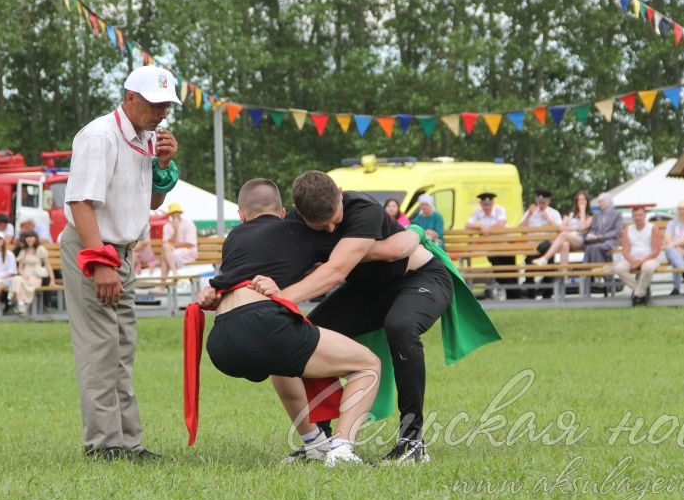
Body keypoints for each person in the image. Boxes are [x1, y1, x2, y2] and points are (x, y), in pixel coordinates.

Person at [254, 171, 458, 463]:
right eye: (321, 227)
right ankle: (321, 442)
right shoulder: (296, 224)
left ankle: (412, 441)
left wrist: (281, 299)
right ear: (300, 213)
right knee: (306, 335)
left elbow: (335, 272)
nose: (330, 229)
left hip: (419, 278)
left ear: (339, 193)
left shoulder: (364, 210)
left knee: (400, 327)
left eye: (335, 220)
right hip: (368, 291)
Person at [197, 179, 394, 465]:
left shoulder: (234, 238)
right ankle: (341, 449)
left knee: (284, 365)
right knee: (368, 365)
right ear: (283, 212)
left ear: (241, 215)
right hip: (263, 323)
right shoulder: (300, 230)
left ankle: (314, 443)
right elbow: (381, 251)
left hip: (221, 340)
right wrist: (414, 236)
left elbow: (224, 285)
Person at [59, 64, 180, 462]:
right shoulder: (99, 137)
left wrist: (163, 166)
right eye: (155, 104)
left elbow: (152, 203)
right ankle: (104, 445)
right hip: (96, 250)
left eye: (167, 105)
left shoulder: (145, 137)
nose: (162, 112)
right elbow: (80, 202)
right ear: (130, 98)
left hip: (123, 252)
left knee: (122, 349)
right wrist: (100, 262)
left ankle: (129, 443)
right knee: (101, 349)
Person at [466, 192, 518, 299]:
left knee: (511, 271)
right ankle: (517, 294)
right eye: (485, 205)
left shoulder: (500, 209)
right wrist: (480, 227)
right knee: (499, 272)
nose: (487, 207)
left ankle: (515, 295)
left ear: (493, 203)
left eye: (489, 204)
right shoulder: (478, 212)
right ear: (481, 204)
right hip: (492, 248)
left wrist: (488, 229)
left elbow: (501, 224)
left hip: (506, 245)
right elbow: (467, 225)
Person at [612, 207, 662, 306]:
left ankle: (638, 295)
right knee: (618, 268)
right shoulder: (627, 230)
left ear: (645, 216)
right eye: (635, 215)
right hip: (632, 258)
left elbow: (656, 250)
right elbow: (625, 251)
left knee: (648, 268)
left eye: (640, 215)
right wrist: (632, 260)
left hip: (649, 258)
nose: (638, 218)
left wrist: (642, 260)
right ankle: (641, 291)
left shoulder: (653, 228)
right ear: (632, 217)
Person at [519, 189, 562, 298]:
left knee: (547, 247)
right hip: (532, 247)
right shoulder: (531, 213)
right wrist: (529, 214)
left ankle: (547, 292)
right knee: (532, 262)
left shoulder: (553, 213)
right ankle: (531, 292)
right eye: (539, 201)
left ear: (548, 201)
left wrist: (548, 218)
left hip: (547, 248)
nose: (541, 203)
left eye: (543, 201)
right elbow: (521, 229)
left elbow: (559, 230)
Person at [533, 190, 593, 265]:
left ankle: (545, 258)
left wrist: (583, 211)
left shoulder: (590, 215)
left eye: (583, 199)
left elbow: (583, 227)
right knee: (565, 244)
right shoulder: (570, 214)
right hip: (569, 237)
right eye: (579, 199)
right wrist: (575, 228)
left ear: (587, 201)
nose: (581, 202)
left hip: (581, 240)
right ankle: (564, 274)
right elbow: (561, 228)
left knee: (564, 234)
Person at [9, 231, 54, 317]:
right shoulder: (23, 252)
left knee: (22, 284)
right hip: (25, 275)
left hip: (36, 276)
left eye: (32, 236)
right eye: (28, 237)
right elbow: (20, 268)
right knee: (16, 280)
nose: (30, 239)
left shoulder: (40, 249)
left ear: (35, 238)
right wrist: (23, 274)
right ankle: (21, 304)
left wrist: (52, 280)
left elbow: (48, 266)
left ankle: (24, 306)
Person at [155, 203, 198, 291]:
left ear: (180, 213)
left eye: (177, 212)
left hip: (188, 252)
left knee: (165, 255)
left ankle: (162, 285)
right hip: (173, 252)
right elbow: (166, 244)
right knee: (166, 250)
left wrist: (174, 245)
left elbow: (190, 244)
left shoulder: (188, 224)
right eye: (173, 213)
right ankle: (175, 273)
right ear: (170, 214)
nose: (175, 215)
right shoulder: (167, 226)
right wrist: (175, 231)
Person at [582, 193, 623, 264]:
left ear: (608, 201)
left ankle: (599, 271)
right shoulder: (597, 215)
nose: (599, 203)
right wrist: (591, 235)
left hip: (611, 240)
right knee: (589, 247)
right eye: (599, 201)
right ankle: (589, 271)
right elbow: (594, 229)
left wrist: (604, 236)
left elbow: (617, 230)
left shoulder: (617, 214)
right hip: (598, 240)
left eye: (601, 201)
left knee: (597, 247)